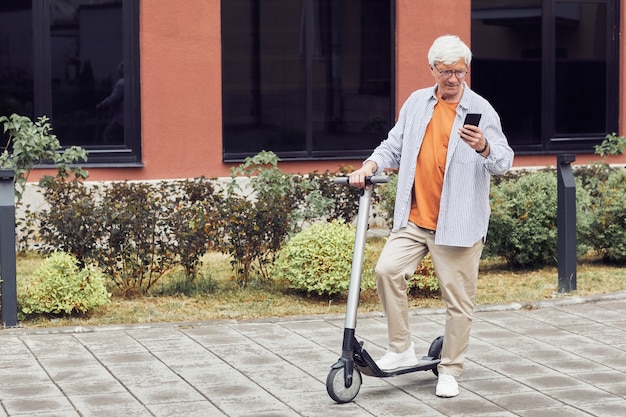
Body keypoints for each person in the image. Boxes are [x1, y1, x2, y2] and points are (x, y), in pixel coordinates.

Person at [348, 35, 514, 398]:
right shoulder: (416, 103)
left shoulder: (481, 109)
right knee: (386, 271)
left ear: (466, 70)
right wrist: (371, 164)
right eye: (445, 71)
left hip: (458, 224)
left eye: (458, 70)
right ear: (432, 70)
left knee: (457, 301)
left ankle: (450, 368)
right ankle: (401, 347)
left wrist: (483, 146)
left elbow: (504, 161)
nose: (453, 78)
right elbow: (393, 143)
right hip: (415, 217)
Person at [96, 62, 124, 144]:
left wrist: (101, 105)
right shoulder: (132, 81)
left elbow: (113, 99)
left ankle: (114, 154)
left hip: (120, 119)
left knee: (108, 134)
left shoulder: (121, 83)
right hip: (127, 119)